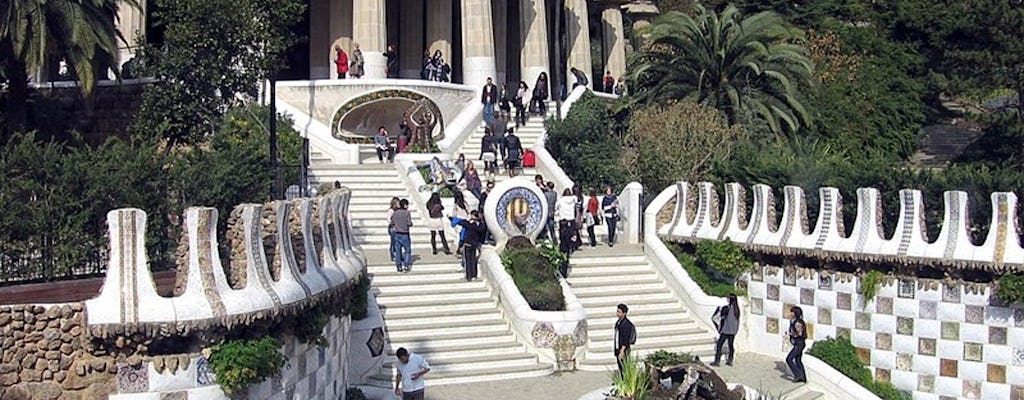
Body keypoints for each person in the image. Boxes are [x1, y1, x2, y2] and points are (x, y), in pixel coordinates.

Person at [450, 210, 488, 281]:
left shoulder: (470, 224)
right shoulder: (480, 225)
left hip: (468, 244)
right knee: (473, 260)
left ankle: (468, 276)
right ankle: (474, 275)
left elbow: (462, 222)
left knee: (467, 260)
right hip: (475, 244)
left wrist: (451, 218)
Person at [711, 294, 741, 367]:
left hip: (726, 330)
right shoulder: (737, 310)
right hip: (733, 331)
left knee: (719, 345)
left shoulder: (727, 308)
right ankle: (730, 360)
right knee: (731, 345)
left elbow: (721, 316)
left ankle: (717, 361)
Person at [555, 188, 577, 273]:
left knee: (563, 244)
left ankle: (562, 265)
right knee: (568, 244)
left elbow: (556, 208)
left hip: (563, 223)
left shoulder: (561, 201)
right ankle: (567, 259)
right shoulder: (573, 200)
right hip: (571, 223)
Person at [786, 306, 808, 383]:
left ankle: (798, 375)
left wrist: (791, 334)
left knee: (789, 359)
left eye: (792, 312)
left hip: (799, 343)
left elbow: (800, 333)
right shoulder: (794, 321)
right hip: (799, 343)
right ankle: (803, 378)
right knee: (798, 360)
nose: (791, 313)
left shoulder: (798, 323)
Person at [392, 199, 414, 272]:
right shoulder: (407, 213)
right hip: (405, 234)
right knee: (407, 250)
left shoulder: (395, 213)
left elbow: (392, 222)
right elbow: (409, 223)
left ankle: (399, 266)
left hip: (397, 233)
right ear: (405, 205)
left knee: (398, 251)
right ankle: (406, 265)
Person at [614, 303, 636, 376]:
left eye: (619, 312)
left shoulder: (626, 324)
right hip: (618, 347)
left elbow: (626, 340)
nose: (617, 313)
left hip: (623, 349)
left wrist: (622, 351)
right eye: (617, 311)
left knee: (624, 367)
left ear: (624, 313)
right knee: (620, 367)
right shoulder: (619, 322)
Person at [386, 197, 400, 261]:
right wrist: (393, 224)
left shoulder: (398, 210)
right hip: (393, 228)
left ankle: (397, 254)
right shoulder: (391, 211)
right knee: (393, 242)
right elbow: (388, 219)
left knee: (397, 242)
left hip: (398, 227)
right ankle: (393, 254)